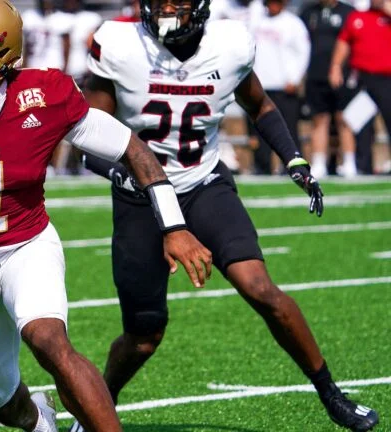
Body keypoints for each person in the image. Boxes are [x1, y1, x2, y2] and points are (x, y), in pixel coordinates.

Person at [0, 0, 212, 431]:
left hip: (27, 247)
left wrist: (174, 225)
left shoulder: (44, 96)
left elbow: (132, 149)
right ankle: (41, 422)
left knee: (48, 340)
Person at [70, 0, 379, 430]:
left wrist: (294, 159)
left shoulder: (230, 45)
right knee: (144, 336)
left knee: (262, 290)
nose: (165, 8)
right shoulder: (121, 46)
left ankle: (331, 394)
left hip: (202, 185)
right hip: (139, 196)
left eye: (176, 0)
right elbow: (88, 133)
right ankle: (97, 407)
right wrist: (126, 174)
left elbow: (261, 105)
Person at [249, 0, 310, 175]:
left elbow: (303, 52)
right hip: (261, 85)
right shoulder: (257, 21)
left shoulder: (293, 23)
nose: (273, 5)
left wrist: (295, 78)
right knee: (260, 130)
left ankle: (293, 167)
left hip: (285, 87)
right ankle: (262, 167)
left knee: (289, 129)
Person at [300, 0, 358, 178]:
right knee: (319, 119)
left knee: (344, 118)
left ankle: (349, 162)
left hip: (343, 74)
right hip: (316, 74)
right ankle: (319, 162)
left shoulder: (348, 12)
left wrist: (343, 69)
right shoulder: (308, 12)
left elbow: (354, 42)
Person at [330, 0, 391, 156]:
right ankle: (362, 164)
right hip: (363, 79)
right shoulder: (357, 17)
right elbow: (343, 42)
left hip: (387, 79)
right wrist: (336, 66)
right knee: (357, 120)